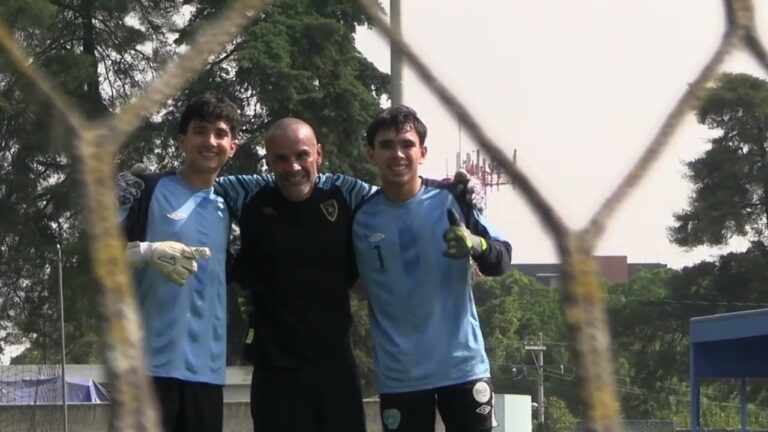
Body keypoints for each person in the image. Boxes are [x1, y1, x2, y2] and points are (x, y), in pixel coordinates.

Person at [351, 105, 512, 432]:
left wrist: (475, 244)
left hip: (463, 369)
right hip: (400, 377)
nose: (398, 154)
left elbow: (502, 257)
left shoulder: (454, 198)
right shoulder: (360, 218)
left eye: (407, 145)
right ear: (371, 154)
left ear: (422, 152)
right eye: (386, 145)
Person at [119, 93, 241, 432]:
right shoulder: (144, 188)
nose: (210, 141)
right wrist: (146, 251)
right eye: (200, 131)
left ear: (233, 146)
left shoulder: (234, 208)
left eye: (220, 133)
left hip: (207, 373)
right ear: (183, 139)